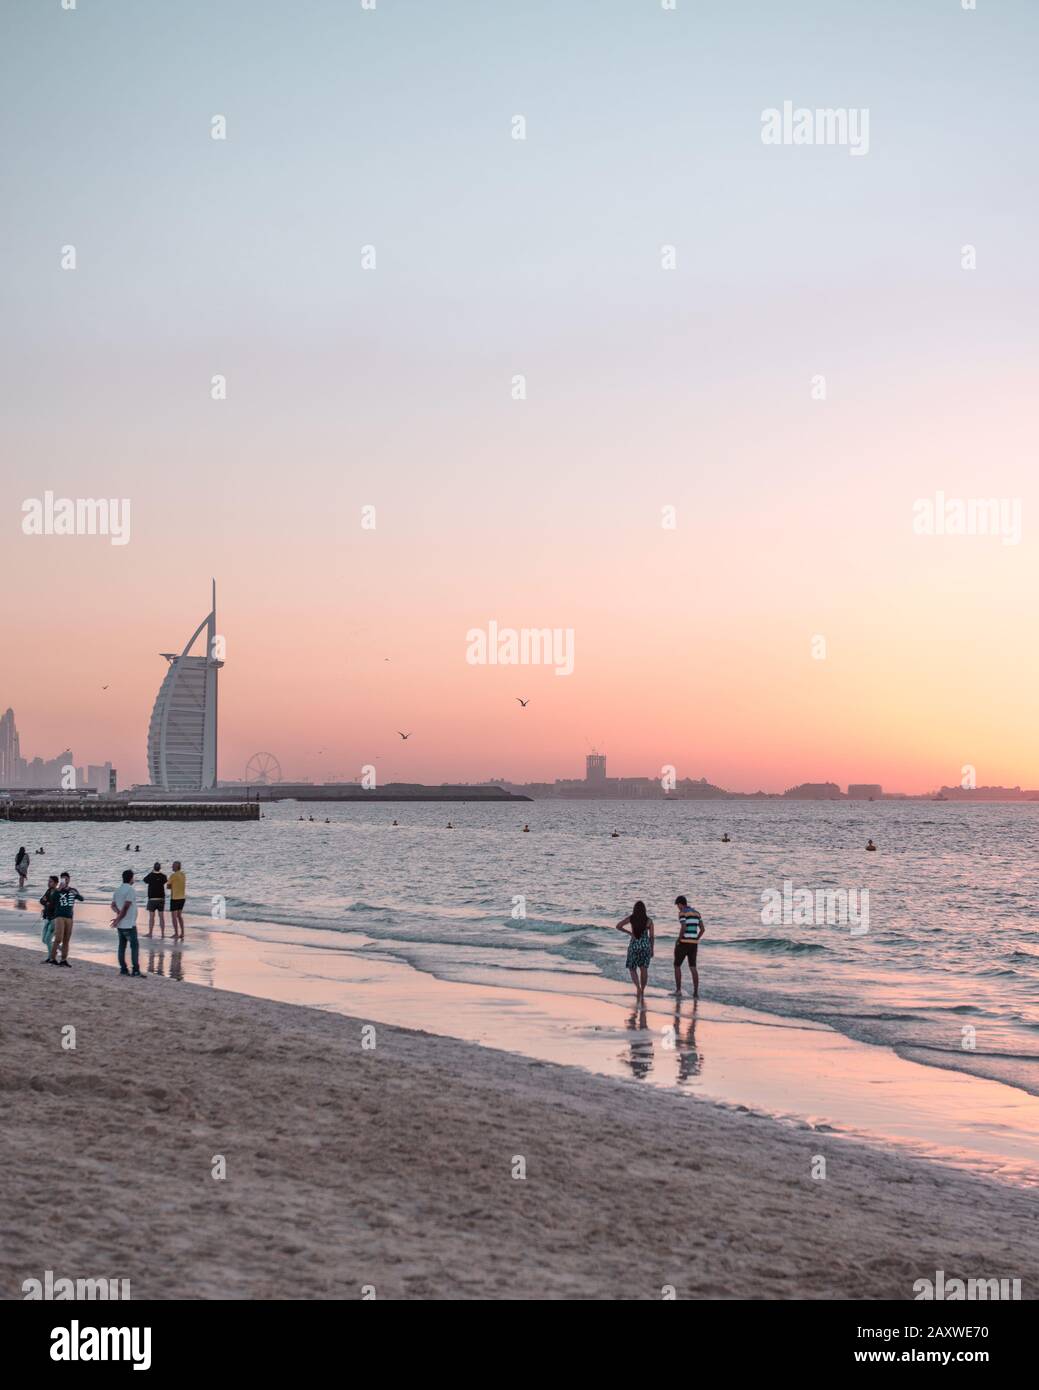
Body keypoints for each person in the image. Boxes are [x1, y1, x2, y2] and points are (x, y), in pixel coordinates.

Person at [615, 900, 654, 996]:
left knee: (632, 968)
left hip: (634, 946)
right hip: (645, 946)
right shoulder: (649, 921)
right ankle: (643, 990)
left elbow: (618, 926)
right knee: (644, 969)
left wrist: (630, 933)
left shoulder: (632, 918)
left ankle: (638, 988)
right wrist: (652, 949)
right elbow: (652, 936)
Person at [111, 868, 144, 977]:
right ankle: (135, 970)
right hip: (129, 924)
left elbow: (113, 906)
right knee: (134, 946)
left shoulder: (118, 890)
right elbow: (126, 907)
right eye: (133, 877)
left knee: (122, 946)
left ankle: (123, 969)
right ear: (130, 878)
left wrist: (117, 915)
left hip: (121, 924)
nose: (133, 879)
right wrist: (118, 918)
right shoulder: (130, 890)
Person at [48, 872, 84, 966]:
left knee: (66, 940)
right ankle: (52, 958)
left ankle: (63, 960)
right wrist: (59, 889)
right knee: (58, 938)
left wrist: (76, 893)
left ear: (69, 879)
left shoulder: (72, 890)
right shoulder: (58, 891)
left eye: (66, 879)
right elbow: (52, 900)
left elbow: (81, 899)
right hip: (59, 916)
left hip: (69, 917)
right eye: (63, 879)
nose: (65, 881)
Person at [673, 894, 705, 997]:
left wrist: (678, 939)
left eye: (677, 905)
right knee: (693, 967)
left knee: (677, 965)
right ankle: (695, 992)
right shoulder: (697, 913)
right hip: (693, 944)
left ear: (680, 904)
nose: (678, 908)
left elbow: (683, 927)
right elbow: (703, 929)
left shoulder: (682, 913)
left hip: (683, 942)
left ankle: (678, 991)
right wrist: (696, 938)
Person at [142, 861, 168, 938]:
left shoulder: (150, 875)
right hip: (161, 898)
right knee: (161, 917)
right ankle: (162, 934)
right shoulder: (163, 876)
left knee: (151, 917)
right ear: (160, 868)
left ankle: (150, 933)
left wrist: (151, 872)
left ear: (154, 868)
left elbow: (144, 880)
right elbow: (165, 881)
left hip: (152, 899)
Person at [39, 876, 59, 960]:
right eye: (48, 881)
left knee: (47, 940)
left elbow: (55, 905)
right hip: (47, 917)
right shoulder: (48, 891)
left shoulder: (57, 893)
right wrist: (47, 903)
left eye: (50, 882)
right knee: (44, 940)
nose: (48, 883)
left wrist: (47, 903)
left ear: (55, 883)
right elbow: (41, 900)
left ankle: (50, 957)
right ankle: (56, 947)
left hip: (54, 919)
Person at [167, 861, 186, 941]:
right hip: (182, 898)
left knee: (174, 917)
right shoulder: (183, 874)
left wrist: (172, 886)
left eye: (173, 866)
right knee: (179, 916)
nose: (172, 867)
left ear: (176, 867)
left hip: (175, 898)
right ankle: (182, 932)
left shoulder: (173, 875)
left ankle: (176, 933)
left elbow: (168, 886)